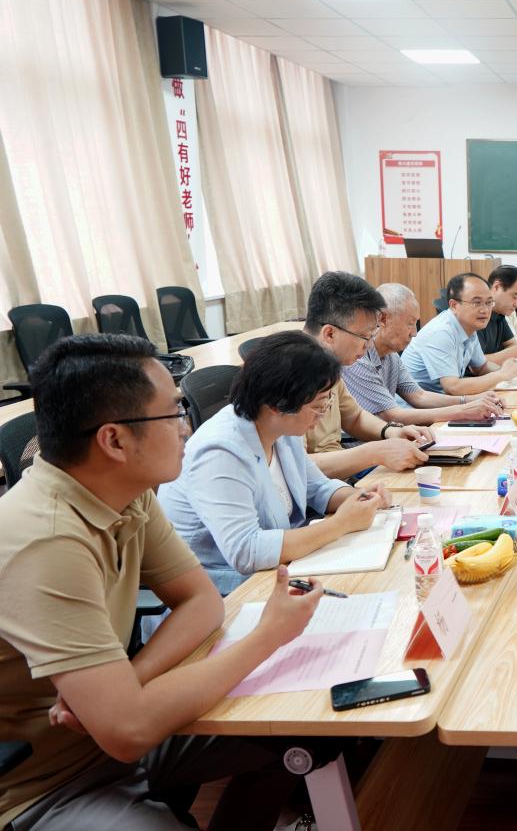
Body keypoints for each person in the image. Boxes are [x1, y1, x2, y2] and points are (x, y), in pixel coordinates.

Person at [0, 334, 324, 830]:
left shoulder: (127, 491)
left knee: (306, 727)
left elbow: (202, 602)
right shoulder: (44, 543)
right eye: (173, 413)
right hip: (48, 781)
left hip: (114, 727)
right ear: (114, 441)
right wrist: (268, 635)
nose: (186, 427)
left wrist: (132, 683)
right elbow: (127, 730)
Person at [159, 332, 390, 595]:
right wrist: (341, 524)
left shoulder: (281, 429)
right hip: (222, 590)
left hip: (279, 570)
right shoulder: (220, 451)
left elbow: (316, 487)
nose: (322, 414)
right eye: (318, 406)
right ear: (278, 405)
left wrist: (360, 499)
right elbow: (247, 551)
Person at [301, 271, 433, 479]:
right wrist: (374, 453)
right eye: (365, 336)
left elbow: (354, 417)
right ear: (330, 333)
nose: (370, 345)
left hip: (337, 480)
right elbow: (297, 468)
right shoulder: (289, 373)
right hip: (318, 486)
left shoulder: (329, 363)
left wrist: (391, 431)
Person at [343, 283, 503, 427]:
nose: (414, 333)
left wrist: (471, 400)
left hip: (393, 433)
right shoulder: (358, 359)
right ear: (383, 319)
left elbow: (418, 396)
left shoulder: (391, 355)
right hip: (365, 443)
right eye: (410, 323)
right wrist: (464, 410)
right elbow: (390, 415)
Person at [402, 273, 517, 395]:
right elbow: (453, 387)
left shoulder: (469, 326)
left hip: (443, 400)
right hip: (417, 405)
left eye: (489, 302)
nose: (485, 310)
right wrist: (501, 375)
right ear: (454, 305)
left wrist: (508, 372)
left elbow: (481, 367)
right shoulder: (441, 332)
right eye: (477, 303)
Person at [478, 265, 517, 365]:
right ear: (497, 287)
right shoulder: (478, 315)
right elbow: (476, 363)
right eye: (514, 297)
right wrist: (515, 352)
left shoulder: (499, 315)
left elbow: (512, 344)